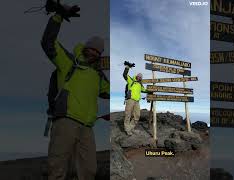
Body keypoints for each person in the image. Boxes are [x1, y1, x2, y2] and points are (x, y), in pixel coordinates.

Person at [41, 7, 109, 180]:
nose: (94, 52)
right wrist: (59, 17)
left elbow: (109, 92)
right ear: (86, 47)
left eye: (98, 52)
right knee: (57, 169)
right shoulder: (68, 61)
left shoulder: (98, 75)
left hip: (87, 127)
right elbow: (48, 42)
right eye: (92, 49)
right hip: (66, 121)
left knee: (89, 171)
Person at [123, 62, 151, 135]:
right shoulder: (131, 80)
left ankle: (130, 128)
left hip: (137, 101)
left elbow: (144, 90)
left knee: (137, 116)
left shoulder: (140, 84)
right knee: (128, 115)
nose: (140, 77)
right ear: (136, 76)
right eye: (139, 76)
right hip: (130, 100)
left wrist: (150, 91)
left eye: (141, 77)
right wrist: (127, 67)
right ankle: (127, 130)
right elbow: (124, 75)